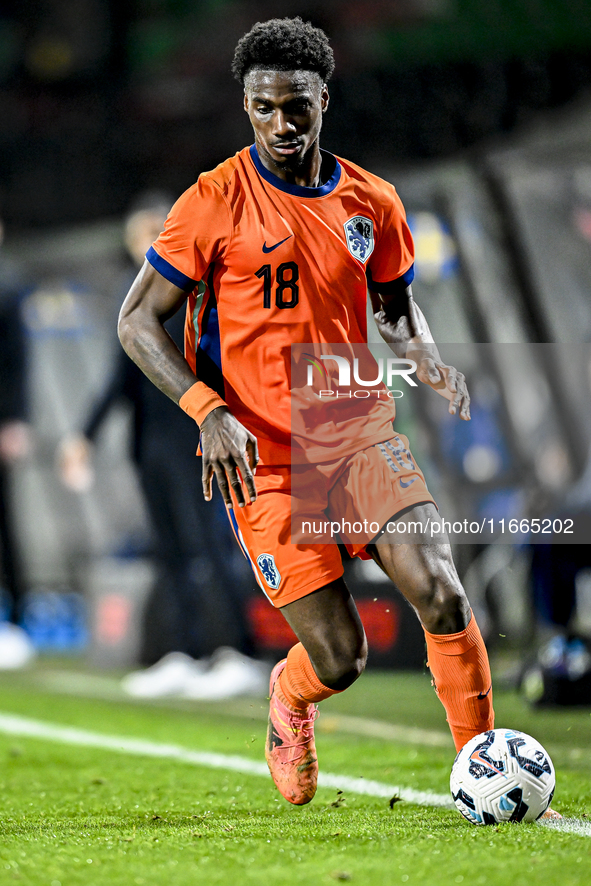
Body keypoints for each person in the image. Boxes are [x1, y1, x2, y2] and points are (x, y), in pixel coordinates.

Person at [117, 17, 534, 808]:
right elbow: (136, 321)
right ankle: (290, 698)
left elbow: (397, 307)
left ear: (322, 100)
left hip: (354, 429)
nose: (281, 124)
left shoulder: (370, 200)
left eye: (296, 106)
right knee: (340, 657)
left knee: (439, 589)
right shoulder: (211, 200)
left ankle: (482, 769)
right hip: (263, 457)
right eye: (264, 107)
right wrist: (207, 409)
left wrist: (429, 361)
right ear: (246, 106)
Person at [60, 195, 263, 697]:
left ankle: (238, 652)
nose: (146, 241)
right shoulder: (137, 302)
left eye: (156, 228)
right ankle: (185, 653)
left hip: (198, 440)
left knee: (211, 545)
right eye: (139, 232)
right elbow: (119, 378)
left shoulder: (198, 288)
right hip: (150, 444)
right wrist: (84, 436)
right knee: (170, 549)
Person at [0, 216, 35, 669]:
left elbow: (17, 362)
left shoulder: (8, 284)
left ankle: (19, 620)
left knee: (6, 523)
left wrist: (15, 421)